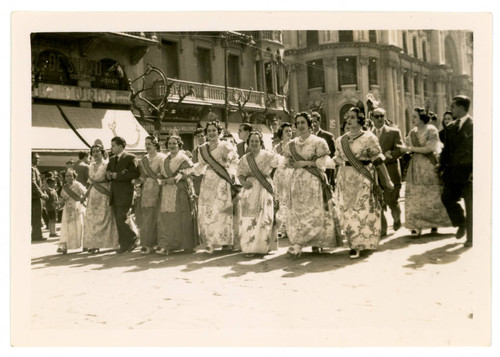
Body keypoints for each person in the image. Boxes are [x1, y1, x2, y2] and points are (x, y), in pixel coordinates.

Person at [334, 107, 394, 259]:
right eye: (348, 117)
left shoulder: (369, 138)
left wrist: (387, 180)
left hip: (364, 177)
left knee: (361, 210)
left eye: (353, 117)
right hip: (346, 179)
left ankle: (362, 242)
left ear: (360, 119)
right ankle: (353, 243)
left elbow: (378, 161)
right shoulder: (340, 141)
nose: (349, 119)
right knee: (348, 211)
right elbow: (338, 159)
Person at [282, 112, 341, 258]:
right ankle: (298, 244)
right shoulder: (291, 144)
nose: (300, 126)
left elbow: (324, 162)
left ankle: (316, 241)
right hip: (297, 181)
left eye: (303, 122)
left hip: (313, 180)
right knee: (298, 212)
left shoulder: (318, 142)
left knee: (315, 210)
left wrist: (306, 163)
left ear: (309, 124)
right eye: (298, 123)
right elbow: (286, 162)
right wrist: (290, 164)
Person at [398, 107, 451, 237]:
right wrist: (405, 149)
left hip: (428, 165)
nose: (412, 119)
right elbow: (407, 148)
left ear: (422, 118)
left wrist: (410, 148)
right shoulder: (412, 133)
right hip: (415, 166)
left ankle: (433, 223)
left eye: (415, 116)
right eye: (412, 116)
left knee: (431, 194)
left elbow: (430, 148)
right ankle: (416, 226)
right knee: (415, 195)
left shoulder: (431, 130)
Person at [193, 121, 239, 253]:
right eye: (209, 131)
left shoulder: (226, 146)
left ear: (219, 132)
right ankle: (211, 241)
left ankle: (226, 241)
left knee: (223, 210)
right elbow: (201, 165)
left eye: (214, 130)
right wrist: (191, 169)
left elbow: (235, 161)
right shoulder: (202, 148)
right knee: (208, 211)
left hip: (222, 181)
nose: (211, 133)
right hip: (207, 181)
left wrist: (232, 172)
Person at [237, 131, 280, 257]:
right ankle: (250, 248)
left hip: (264, 189)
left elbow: (280, 164)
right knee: (249, 219)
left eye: (257, 141)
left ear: (261, 143)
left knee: (265, 218)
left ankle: (264, 246)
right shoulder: (244, 159)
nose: (254, 143)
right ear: (248, 143)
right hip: (249, 191)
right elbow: (239, 173)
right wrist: (243, 182)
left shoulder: (268, 156)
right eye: (252, 141)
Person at [439, 95, 473, 247]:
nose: (450, 108)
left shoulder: (474, 126)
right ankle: (461, 222)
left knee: (470, 204)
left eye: (453, 106)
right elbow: (446, 151)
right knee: (446, 198)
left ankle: (470, 238)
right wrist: (441, 168)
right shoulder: (451, 127)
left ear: (461, 107)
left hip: (468, 173)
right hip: (452, 173)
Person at [156, 136, 199, 255]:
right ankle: (169, 244)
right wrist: (163, 180)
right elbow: (160, 174)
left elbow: (191, 173)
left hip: (181, 190)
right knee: (168, 218)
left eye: (174, 143)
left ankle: (187, 245)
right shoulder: (164, 159)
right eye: (169, 143)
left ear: (179, 145)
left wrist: (175, 179)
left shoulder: (183, 158)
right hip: (167, 191)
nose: (172, 146)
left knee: (183, 217)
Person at [371, 107, 404, 236]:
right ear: (372, 118)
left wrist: (391, 154)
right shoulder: (368, 134)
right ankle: (383, 228)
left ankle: (396, 217)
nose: (379, 118)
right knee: (379, 202)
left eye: (382, 116)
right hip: (375, 174)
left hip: (391, 171)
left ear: (385, 117)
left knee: (391, 201)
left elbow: (400, 150)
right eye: (377, 116)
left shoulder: (394, 132)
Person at [81, 143, 119, 254]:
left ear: (103, 153)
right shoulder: (90, 166)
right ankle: (93, 244)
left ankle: (111, 243)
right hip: (93, 195)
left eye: (98, 151)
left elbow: (111, 179)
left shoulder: (107, 164)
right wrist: (85, 195)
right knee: (92, 220)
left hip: (104, 193)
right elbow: (91, 183)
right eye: (93, 152)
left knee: (105, 218)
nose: (95, 153)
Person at [106, 136, 141, 253]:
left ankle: (132, 239)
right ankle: (124, 244)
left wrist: (118, 176)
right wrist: (109, 175)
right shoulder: (111, 159)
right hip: (115, 193)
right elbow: (108, 171)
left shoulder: (131, 157)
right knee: (118, 219)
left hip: (125, 193)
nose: (111, 148)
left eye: (113, 145)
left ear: (121, 146)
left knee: (122, 218)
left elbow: (135, 173)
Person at [133, 136, 165, 254]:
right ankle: (147, 244)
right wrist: (137, 182)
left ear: (155, 145)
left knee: (158, 217)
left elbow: (164, 174)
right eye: (146, 144)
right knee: (146, 217)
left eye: (149, 144)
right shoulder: (143, 160)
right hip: (146, 189)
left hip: (159, 187)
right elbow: (142, 176)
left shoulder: (162, 158)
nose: (147, 146)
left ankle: (158, 243)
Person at [57, 169, 86, 254]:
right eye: (67, 176)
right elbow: (63, 199)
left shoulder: (78, 185)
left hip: (77, 207)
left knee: (80, 225)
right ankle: (64, 246)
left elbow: (85, 194)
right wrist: (58, 203)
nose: (69, 177)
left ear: (74, 176)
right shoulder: (64, 187)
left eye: (71, 175)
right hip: (67, 208)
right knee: (66, 227)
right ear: (65, 177)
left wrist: (82, 201)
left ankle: (85, 245)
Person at [272, 122, 294, 238]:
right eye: (286, 131)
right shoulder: (277, 147)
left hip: (291, 173)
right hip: (280, 175)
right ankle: (282, 227)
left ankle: (291, 227)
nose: (289, 133)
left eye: (290, 131)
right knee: (281, 201)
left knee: (290, 200)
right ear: (281, 134)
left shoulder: (295, 144)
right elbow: (273, 162)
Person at [310, 111, 336, 187]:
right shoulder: (309, 137)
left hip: (326, 169)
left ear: (319, 122)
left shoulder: (328, 136)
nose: (313, 124)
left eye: (315, 122)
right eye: (311, 122)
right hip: (312, 169)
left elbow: (332, 153)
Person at [32, 152, 48, 242]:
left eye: (38, 158)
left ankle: (36, 234)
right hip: (35, 196)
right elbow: (33, 182)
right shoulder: (32, 168)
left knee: (36, 216)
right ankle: (36, 235)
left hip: (35, 196)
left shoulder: (34, 168)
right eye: (36, 158)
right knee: (37, 216)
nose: (38, 160)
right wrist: (41, 193)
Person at [191, 127, 206, 197]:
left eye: (202, 136)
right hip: (197, 182)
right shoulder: (194, 152)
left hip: (207, 179)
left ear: (206, 137)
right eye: (198, 136)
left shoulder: (209, 149)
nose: (200, 138)